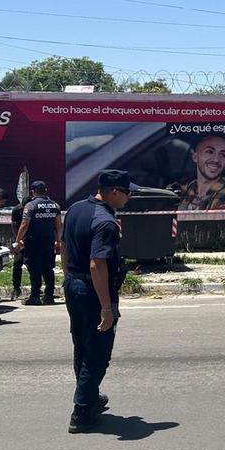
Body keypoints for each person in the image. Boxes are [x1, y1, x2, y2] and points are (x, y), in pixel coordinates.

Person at [62, 169, 133, 433]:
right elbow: (97, 265)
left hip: (74, 286)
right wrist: (106, 307)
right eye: (127, 193)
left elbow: (65, 248)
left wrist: (69, 281)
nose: (129, 198)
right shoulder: (105, 220)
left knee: (81, 344)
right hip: (94, 290)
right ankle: (82, 412)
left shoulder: (75, 209)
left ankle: (89, 396)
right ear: (114, 192)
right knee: (98, 352)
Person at [15, 180, 62, 305]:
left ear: (32, 192)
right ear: (46, 190)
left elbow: (24, 224)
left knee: (34, 269)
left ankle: (35, 296)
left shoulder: (30, 206)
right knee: (48, 268)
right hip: (49, 242)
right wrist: (58, 241)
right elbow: (58, 225)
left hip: (33, 242)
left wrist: (18, 240)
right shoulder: (55, 205)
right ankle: (49, 295)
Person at [180, 135, 225, 211]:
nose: (216, 160)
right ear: (195, 157)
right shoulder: (186, 189)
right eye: (210, 151)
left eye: (223, 155)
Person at [9, 195, 31, 301]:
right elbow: (14, 224)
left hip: (31, 239)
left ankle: (36, 287)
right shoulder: (17, 210)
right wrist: (18, 240)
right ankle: (16, 287)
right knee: (17, 263)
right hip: (20, 239)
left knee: (32, 265)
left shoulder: (33, 209)